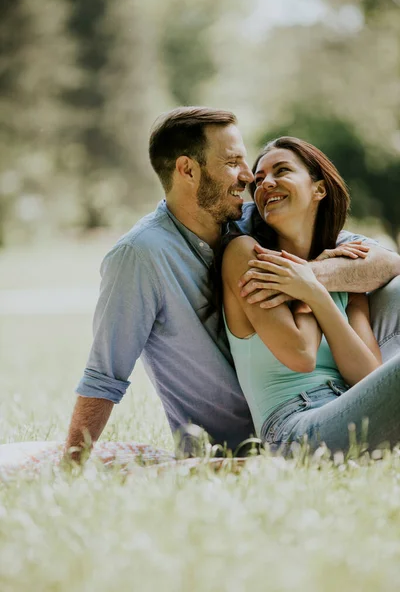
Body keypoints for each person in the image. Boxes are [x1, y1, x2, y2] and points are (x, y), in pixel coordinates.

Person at [65, 108, 400, 462]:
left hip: (339, 405)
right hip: (248, 435)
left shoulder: (255, 216)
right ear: (188, 170)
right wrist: (70, 465)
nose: (250, 177)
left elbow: (387, 262)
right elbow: (105, 376)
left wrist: (307, 278)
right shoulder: (141, 256)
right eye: (233, 162)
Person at [222, 136, 400, 453]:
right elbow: (301, 355)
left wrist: (314, 287)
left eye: (282, 170)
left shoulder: (342, 273)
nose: (266, 184)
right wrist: (311, 292)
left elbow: (367, 375)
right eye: (259, 179)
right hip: (292, 429)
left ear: (318, 189)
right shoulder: (247, 254)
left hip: (348, 407)